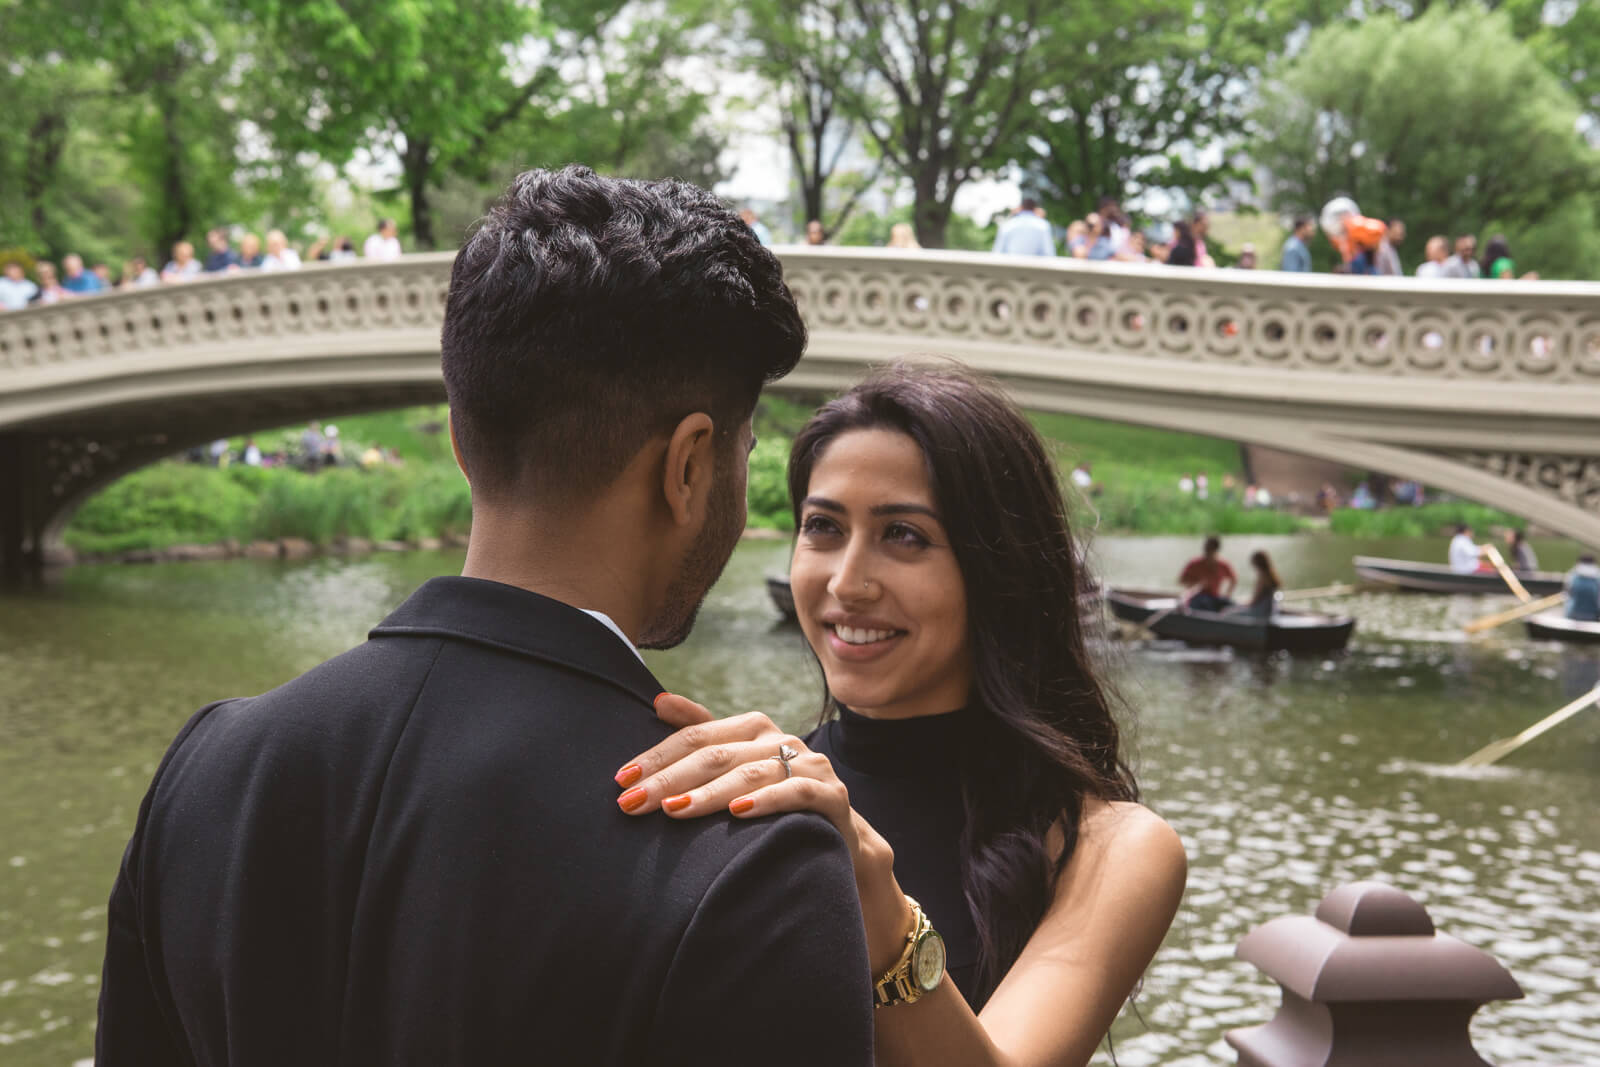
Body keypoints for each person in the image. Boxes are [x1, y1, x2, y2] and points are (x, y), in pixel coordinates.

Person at [95, 165, 873, 1065]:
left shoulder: (207, 769)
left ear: (462, 442)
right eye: (743, 450)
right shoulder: (750, 861)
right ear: (690, 466)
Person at [612, 364, 1185, 1065]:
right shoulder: (758, 793)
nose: (847, 582)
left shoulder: (1112, 848)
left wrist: (870, 887)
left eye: (904, 536)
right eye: (823, 527)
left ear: (997, 568)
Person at [1179, 535, 1237, 613]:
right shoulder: (1194, 563)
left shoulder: (1223, 565)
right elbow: (1181, 581)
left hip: (1214, 597)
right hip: (1196, 597)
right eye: (1206, 548)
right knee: (1205, 604)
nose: (1207, 551)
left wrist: (1227, 594)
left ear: (1216, 550)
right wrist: (1198, 583)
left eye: (1210, 549)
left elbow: (1233, 580)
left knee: (1232, 606)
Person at [1235, 550, 1282, 617]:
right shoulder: (1271, 575)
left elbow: (1254, 601)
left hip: (1260, 612)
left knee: (1228, 612)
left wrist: (1240, 604)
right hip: (1269, 611)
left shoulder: (1262, 578)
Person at [1564, 554, 1599, 622]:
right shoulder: (1598, 576)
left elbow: (1568, 594)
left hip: (1573, 614)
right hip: (1593, 616)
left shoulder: (1573, 575)